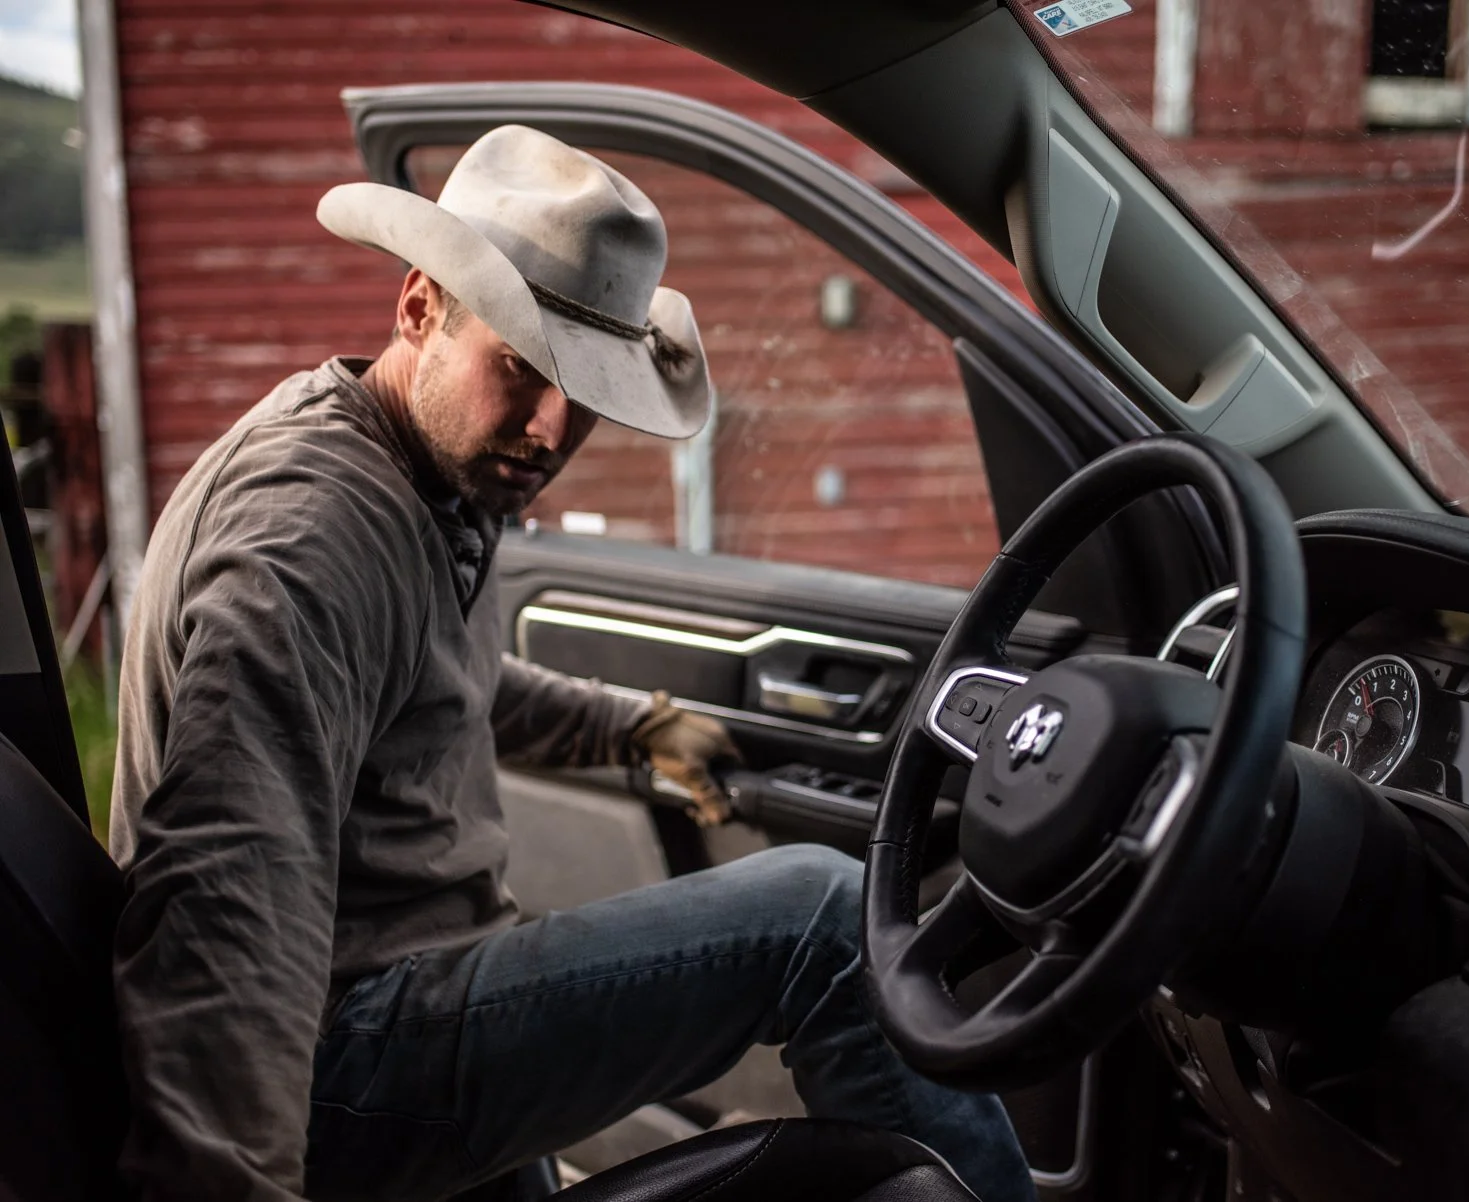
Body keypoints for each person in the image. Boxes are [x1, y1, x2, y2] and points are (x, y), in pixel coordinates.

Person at [109, 124, 1033, 1202]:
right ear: (418, 308)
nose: (551, 428)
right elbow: (230, 908)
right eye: (523, 367)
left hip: (414, 988)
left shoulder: (437, 471)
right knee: (826, 921)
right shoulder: (310, 540)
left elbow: (435, 680)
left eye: (586, 393)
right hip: (334, 1061)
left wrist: (631, 726)